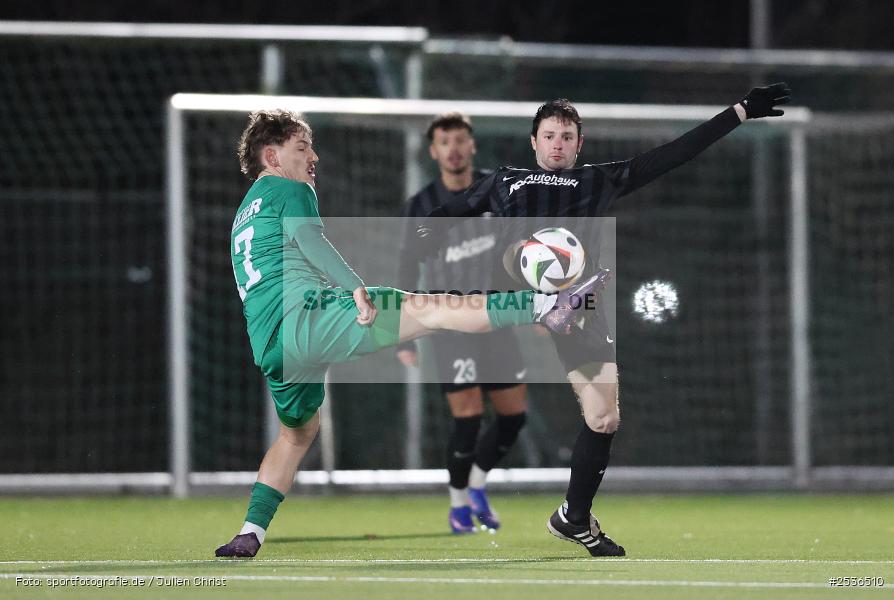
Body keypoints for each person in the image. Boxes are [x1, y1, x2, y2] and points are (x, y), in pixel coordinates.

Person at [417, 83, 793, 557]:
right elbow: (442, 215)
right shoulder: (505, 181)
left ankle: (573, 517)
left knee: (604, 417)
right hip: (514, 303)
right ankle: (360, 318)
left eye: (567, 136)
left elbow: (673, 154)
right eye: (549, 135)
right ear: (533, 142)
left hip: (578, 310)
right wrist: (424, 234)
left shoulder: (598, 179)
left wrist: (736, 112)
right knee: (443, 339)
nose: (558, 143)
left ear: (580, 143)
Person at [215, 109, 605, 558]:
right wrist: (354, 289)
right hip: (311, 318)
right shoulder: (290, 187)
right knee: (437, 308)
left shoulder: (245, 211)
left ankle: (250, 532)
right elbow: (312, 241)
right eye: (303, 147)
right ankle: (546, 304)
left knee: (296, 436)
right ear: (272, 155)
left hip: (272, 347)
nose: (313, 157)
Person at [397, 113, 529, 533]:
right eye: (444, 142)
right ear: (433, 152)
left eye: (460, 140)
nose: (453, 148)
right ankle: (457, 505)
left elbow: (526, 248)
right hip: (450, 324)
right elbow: (405, 268)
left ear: (471, 146)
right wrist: (402, 334)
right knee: (468, 416)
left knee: (513, 417)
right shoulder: (420, 207)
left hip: (498, 318)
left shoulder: (500, 189)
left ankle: (475, 483)